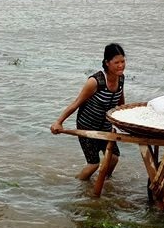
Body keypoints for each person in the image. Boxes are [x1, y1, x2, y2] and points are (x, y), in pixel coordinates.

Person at [50, 43, 126, 180]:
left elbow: (120, 102)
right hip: (87, 126)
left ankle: (103, 182)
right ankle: (80, 184)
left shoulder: (121, 78)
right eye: (117, 62)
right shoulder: (95, 81)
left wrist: (125, 123)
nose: (121, 65)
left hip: (105, 126)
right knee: (93, 165)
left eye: (123, 61)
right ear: (107, 63)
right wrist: (58, 122)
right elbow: (76, 103)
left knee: (114, 158)